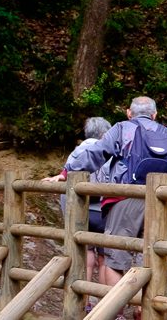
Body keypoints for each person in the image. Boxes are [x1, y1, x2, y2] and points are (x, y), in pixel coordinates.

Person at [61, 96, 167, 290]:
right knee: (150, 257)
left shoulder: (122, 128)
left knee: (115, 258)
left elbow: (97, 153)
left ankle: (117, 314)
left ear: (129, 113)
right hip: (160, 202)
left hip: (124, 198)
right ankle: (142, 311)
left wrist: (67, 172)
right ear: (155, 114)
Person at [43, 116, 114, 281]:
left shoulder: (76, 152)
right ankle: (105, 303)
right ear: (105, 134)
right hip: (103, 211)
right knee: (105, 256)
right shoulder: (108, 151)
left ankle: (84, 302)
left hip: (81, 210)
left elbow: (67, 178)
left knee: (85, 252)